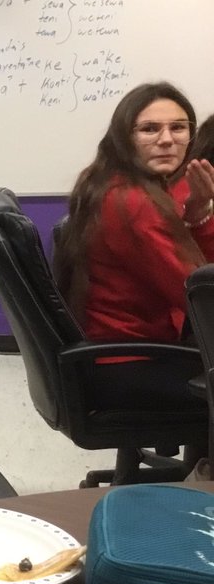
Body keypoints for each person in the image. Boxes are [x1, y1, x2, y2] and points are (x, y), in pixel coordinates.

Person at [53, 82, 214, 412]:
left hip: (120, 355)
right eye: (149, 129)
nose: (167, 139)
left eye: (178, 128)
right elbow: (199, 298)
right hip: (131, 364)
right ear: (124, 137)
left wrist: (197, 214)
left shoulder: (114, 184)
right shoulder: (134, 204)